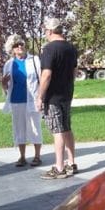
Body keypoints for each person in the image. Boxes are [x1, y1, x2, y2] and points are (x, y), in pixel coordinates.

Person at [36, 17, 78, 180]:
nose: (45, 34)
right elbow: (74, 71)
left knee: (57, 130)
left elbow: (46, 74)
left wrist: (40, 96)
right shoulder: (71, 48)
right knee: (66, 127)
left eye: (45, 31)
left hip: (53, 96)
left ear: (50, 31)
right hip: (67, 93)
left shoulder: (49, 49)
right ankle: (71, 162)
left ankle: (59, 167)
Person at [1, 34, 43, 167]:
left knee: (35, 127)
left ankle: (37, 156)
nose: (19, 47)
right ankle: (22, 156)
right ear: (12, 50)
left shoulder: (34, 60)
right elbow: (6, 86)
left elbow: (41, 78)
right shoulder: (9, 64)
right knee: (19, 128)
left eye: (21, 44)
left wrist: (41, 97)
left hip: (32, 99)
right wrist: (3, 83)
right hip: (16, 100)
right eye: (16, 45)